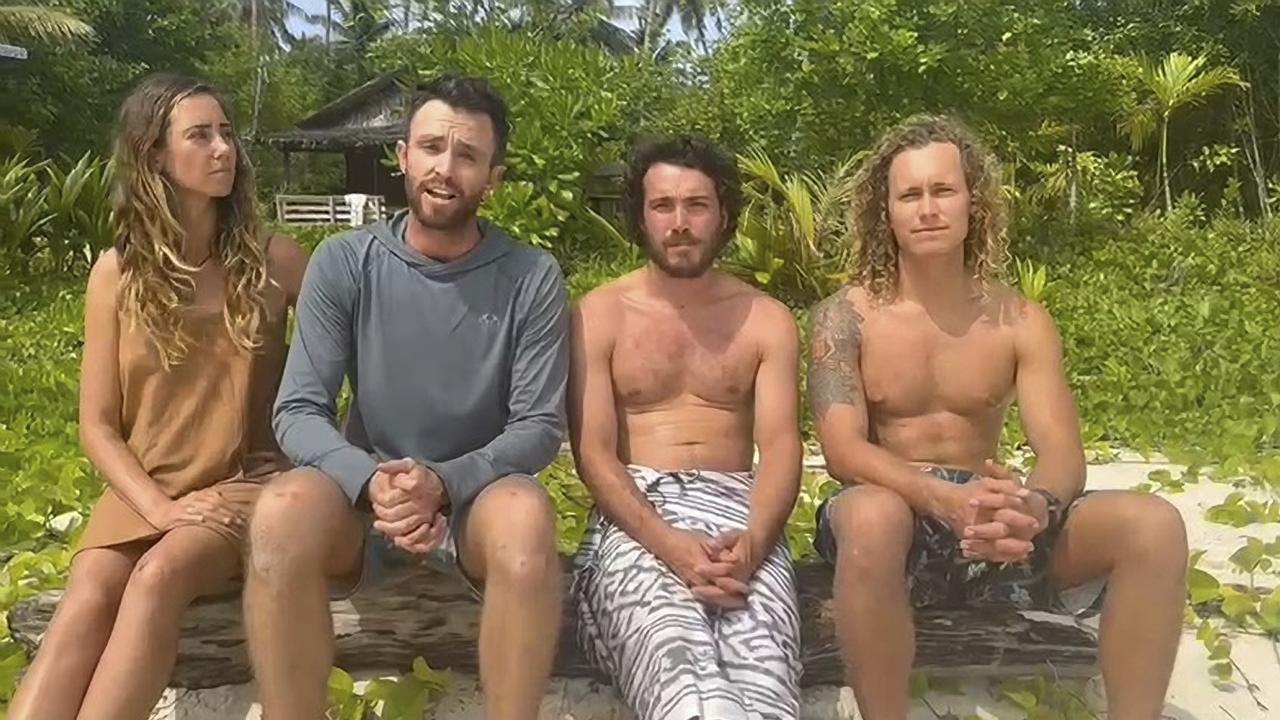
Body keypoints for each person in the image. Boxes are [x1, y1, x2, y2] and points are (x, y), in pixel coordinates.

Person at [808, 114, 1188, 720]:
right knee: (874, 516)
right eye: (910, 194)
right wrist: (940, 498)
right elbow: (843, 452)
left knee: (1154, 524)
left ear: (972, 202)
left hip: (994, 521)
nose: (928, 208)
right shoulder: (845, 316)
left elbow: (1062, 454)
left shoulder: (1020, 319)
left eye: (943, 191)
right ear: (886, 211)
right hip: (892, 507)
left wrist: (1033, 507)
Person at [243, 74, 569, 720]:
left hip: (477, 500)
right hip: (362, 502)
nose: (445, 169)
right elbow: (299, 408)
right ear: (402, 156)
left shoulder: (531, 278)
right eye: (430, 148)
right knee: (279, 512)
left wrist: (442, 484)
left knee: (529, 521)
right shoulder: (344, 262)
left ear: (493, 178)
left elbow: (537, 427)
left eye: (468, 155)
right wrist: (373, 483)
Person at [7, 73, 307, 720]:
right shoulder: (117, 273)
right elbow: (97, 425)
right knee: (85, 599)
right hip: (144, 489)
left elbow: (364, 354)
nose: (224, 148)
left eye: (226, 133)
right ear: (155, 156)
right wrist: (157, 507)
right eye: (200, 135)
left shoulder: (276, 261)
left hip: (236, 488)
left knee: (157, 580)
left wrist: (319, 457)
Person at [570, 135, 804, 720]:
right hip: (638, 519)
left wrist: (752, 547)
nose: (679, 223)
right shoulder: (599, 315)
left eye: (696, 205)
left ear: (723, 214)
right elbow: (594, 453)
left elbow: (779, 447)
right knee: (679, 668)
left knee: (766, 681)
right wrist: (668, 543)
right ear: (640, 216)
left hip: (741, 521)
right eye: (662, 206)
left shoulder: (766, 319)